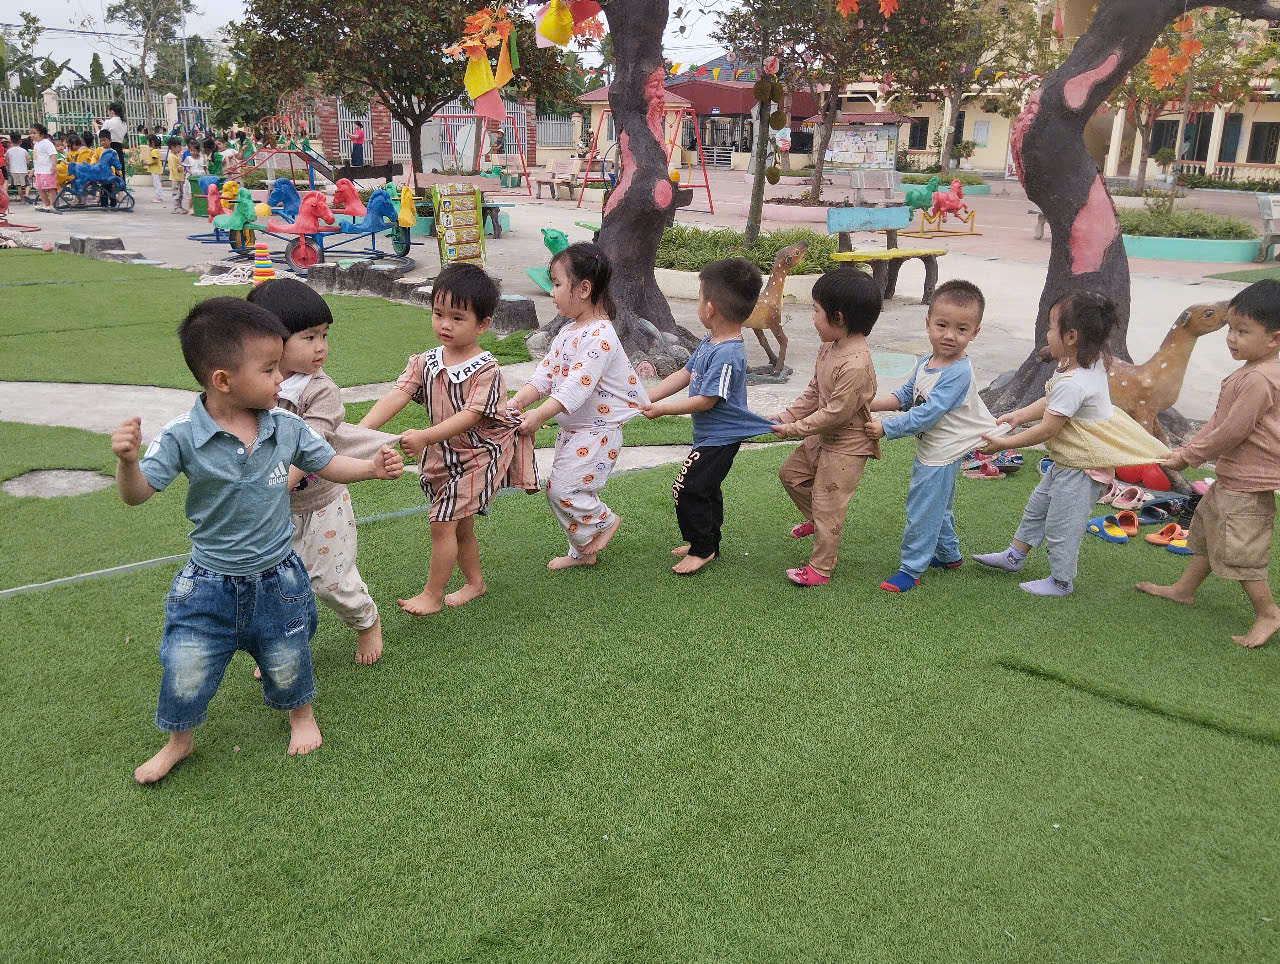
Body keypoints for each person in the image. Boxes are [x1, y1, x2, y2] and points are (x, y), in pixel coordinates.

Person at [109, 298, 405, 784]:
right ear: (223, 380)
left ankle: (301, 715)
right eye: (269, 370)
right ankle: (179, 741)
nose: (280, 380)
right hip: (207, 582)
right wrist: (127, 465)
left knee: (288, 653)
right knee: (184, 661)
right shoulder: (181, 435)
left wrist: (370, 468)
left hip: (277, 576)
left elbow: (327, 463)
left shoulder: (286, 425)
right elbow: (137, 494)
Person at [359, 263, 539, 615]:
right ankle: (475, 583)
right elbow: (398, 394)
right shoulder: (425, 361)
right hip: (443, 456)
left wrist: (425, 436)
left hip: (478, 457)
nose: (445, 324)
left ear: (483, 324)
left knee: (442, 522)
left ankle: (432, 595)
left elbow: (471, 416)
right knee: (460, 526)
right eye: (438, 313)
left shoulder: (487, 369)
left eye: (457, 318)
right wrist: (359, 432)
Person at [973, 292, 1167, 596]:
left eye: (1052, 327)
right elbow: (1052, 400)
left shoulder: (1074, 383)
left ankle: (1061, 581)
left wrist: (1002, 444)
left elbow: (1046, 429)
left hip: (1081, 469)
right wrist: (1019, 415)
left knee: (1063, 526)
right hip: (1068, 462)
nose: (1047, 334)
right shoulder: (1083, 365)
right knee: (1037, 508)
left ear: (1072, 336)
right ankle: (1014, 556)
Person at [246, 279, 397, 665]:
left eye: (324, 335)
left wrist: (275, 485)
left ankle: (366, 620)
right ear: (269, 341)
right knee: (273, 586)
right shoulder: (253, 386)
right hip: (273, 510)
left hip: (321, 504)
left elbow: (308, 447)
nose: (321, 347)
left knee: (330, 581)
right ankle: (282, 646)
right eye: (309, 337)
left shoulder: (320, 391)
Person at [1137, 281, 1280, 648]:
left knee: (1241, 551)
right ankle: (1184, 589)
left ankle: (1268, 613)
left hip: (1248, 483)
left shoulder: (1259, 379)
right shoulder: (1251, 370)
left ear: (1275, 339)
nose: (1231, 338)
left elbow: (1232, 430)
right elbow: (1219, 420)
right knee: (1209, 529)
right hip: (1233, 476)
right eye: (1230, 328)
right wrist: (1189, 448)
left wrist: (1188, 456)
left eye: (1243, 331)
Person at [506, 243, 648, 570]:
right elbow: (544, 375)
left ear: (583, 289)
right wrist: (517, 402)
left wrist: (538, 415)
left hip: (598, 433)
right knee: (563, 488)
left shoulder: (601, 336)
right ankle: (583, 552)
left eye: (557, 284)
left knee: (563, 489)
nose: (552, 292)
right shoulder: (568, 331)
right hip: (575, 431)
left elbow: (575, 387)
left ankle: (605, 521)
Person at [866, 280, 1002, 592]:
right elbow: (906, 396)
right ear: (927, 324)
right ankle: (949, 555)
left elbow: (928, 413)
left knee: (923, 509)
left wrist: (886, 428)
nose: (950, 335)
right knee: (937, 504)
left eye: (961, 329)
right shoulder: (926, 362)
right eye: (942, 325)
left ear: (975, 332)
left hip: (942, 452)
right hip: (935, 448)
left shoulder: (958, 372)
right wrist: (869, 403)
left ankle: (911, 569)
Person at [643, 258, 775, 575]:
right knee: (707, 489)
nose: (699, 304)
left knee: (687, 488)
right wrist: (648, 397)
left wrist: (661, 410)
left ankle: (702, 549)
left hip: (721, 439)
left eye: (700, 297)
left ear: (711, 308)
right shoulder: (710, 342)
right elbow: (685, 374)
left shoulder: (728, 353)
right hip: (709, 437)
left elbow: (707, 401)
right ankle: (708, 542)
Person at [769, 268, 882, 586]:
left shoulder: (855, 364)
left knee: (829, 504)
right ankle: (818, 522)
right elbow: (815, 391)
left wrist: (793, 429)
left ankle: (820, 570)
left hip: (847, 445)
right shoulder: (829, 347)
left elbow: (835, 414)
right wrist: (787, 416)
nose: (812, 317)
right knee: (791, 475)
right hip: (822, 436)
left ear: (838, 317)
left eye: (815, 310)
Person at [99, 103, 126, 208]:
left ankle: (106, 196)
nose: (108, 113)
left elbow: (101, 135)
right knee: (120, 171)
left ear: (112, 111)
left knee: (107, 172)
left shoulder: (109, 122)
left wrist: (96, 127)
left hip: (109, 149)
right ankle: (120, 195)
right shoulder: (124, 123)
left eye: (108, 110)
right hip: (119, 148)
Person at [29, 124, 57, 211]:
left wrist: (53, 166)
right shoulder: (36, 144)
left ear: (41, 134)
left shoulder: (47, 143)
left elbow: (53, 154)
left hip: (47, 171)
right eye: (30, 133)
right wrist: (33, 170)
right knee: (40, 188)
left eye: (34, 133)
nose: (32, 135)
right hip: (39, 171)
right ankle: (46, 204)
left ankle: (52, 205)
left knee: (50, 188)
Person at [7, 131, 29, 203]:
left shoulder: (8, 151)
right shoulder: (24, 151)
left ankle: (22, 200)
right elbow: (28, 160)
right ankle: (26, 195)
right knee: (27, 185)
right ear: (20, 141)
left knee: (18, 186)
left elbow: (7, 161)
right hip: (23, 170)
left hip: (13, 171)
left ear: (10, 141)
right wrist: (27, 166)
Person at [165, 136, 186, 212]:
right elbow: (173, 168)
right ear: (172, 147)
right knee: (176, 193)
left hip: (180, 178)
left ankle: (180, 206)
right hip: (176, 179)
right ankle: (177, 207)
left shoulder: (176, 155)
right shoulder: (171, 157)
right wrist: (177, 178)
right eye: (179, 147)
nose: (180, 149)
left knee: (181, 193)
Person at [144, 133, 164, 203]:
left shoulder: (153, 151)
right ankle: (159, 196)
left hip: (155, 170)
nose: (147, 143)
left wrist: (147, 163)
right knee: (157, 184)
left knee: (157, 184)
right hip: (156, 170)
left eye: (148, 141)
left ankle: (159, 197)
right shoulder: (154, 150)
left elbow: (155, 161)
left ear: (152, 142)